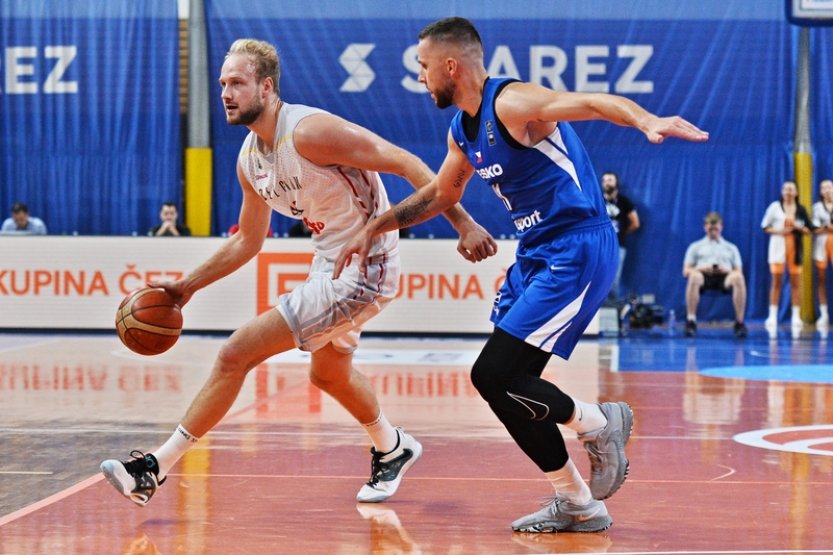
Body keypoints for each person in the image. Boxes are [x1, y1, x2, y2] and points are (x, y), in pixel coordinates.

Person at [334, 17, 708, 533]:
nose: (419, 77)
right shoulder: (462, 129)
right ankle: (578, 500)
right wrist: (376, 225)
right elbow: (444, 193)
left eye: (422, 66)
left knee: (493, 374)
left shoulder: (510, 103)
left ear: (450, 65)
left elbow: (593, 102)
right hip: (538, 250)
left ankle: (598, 423)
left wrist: (646, 119)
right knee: (504, 385)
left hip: (577, 246)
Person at [100, 38, 495, 507]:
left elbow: (405, 162)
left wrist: (464, 223)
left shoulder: (309, 132)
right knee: (328, 375)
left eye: (237, 83)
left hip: (367, 267)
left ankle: (154, 469)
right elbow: (249, 240)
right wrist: (187, 288)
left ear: (266, 88)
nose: (226, 92)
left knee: (235, 354)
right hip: (329, 262)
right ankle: (393, 447)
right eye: (223, 83)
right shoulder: (250, 161)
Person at [681, 212, 747, 338]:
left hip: (725, 276)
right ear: (705, 227)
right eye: (710, 228)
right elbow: (686, 271)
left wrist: (725, 270)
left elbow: (738, 270)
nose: (713, 231)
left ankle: (740, 322)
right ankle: (691, 321)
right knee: (694, 276)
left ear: (721, 227)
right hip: (703, 276)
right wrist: (702, 268)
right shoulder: (695, 247)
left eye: (715, 228)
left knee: (738, 278)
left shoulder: (731, 248)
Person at [761, 180, 813, 336]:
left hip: (795, 249)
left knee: (795, 283)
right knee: (776, 282)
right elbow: (765, 227)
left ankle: (796, 317)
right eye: (785, 189)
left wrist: (799, 228)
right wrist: (780, 231)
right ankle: (772, 315)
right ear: (782, 191)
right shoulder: (774, 207)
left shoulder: (801, 209)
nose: (788, 192)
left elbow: (809, 229)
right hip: (778, 248)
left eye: (791, 189)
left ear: (796, 193)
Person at [601, 171, 640, 302]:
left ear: (616, 182)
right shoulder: (598, 200)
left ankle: (612, 313)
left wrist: (623, 233)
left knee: (613, 280)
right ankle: (597, 314)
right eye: (605, 180)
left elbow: (635, 223)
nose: (607, 182)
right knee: (598, 278)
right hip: (600, 246)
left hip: (618, 245)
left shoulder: (624, 202)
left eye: (610, 180)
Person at [811, 178, 833, 330]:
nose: (827, 190)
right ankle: (824, 314)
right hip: (821, 244)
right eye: (823, 188)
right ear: (820, 192)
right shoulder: (817, 207)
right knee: (822, 279)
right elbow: (814, 229)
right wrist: (826, 228)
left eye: (829, 187)